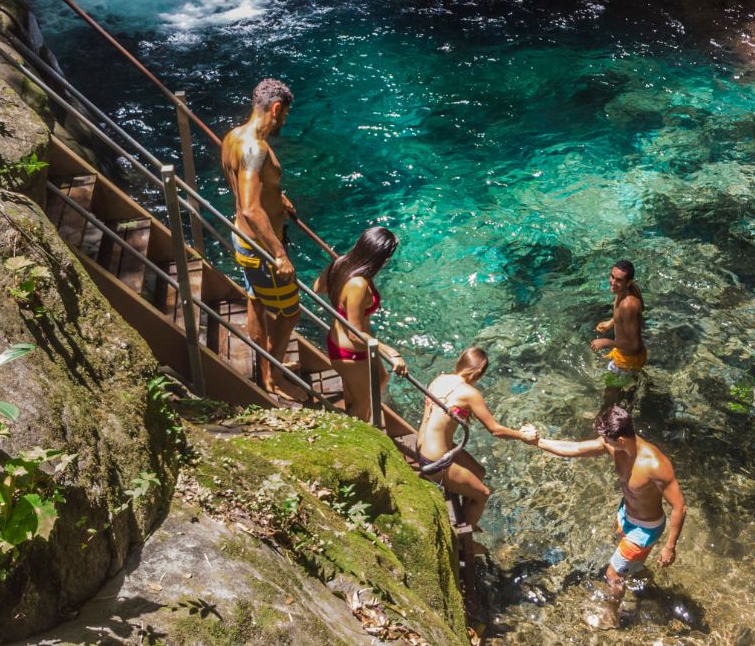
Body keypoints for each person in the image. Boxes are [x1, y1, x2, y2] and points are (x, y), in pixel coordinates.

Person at [531, 404, 685, 630]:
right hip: (627, 515)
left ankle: (611, 615)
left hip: (644, 530)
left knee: (612, 574)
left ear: (621, 439)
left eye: (607, 440)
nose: (603, 443)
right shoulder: (616, 446)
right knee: (631, 565)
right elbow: (576, 449)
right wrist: (538, 442)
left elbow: (680, 507)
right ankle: (644, 579)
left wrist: (670, 547)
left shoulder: (655, 465)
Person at [222, 78, 300, 397]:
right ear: (276, 108)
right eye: (285, 115)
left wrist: (277, 197)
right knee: (290, 312)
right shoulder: (256, 148)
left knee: (256, 300)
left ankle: (263, 367)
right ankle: (275, 379)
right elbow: (253, 209)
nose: (284, 121)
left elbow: (246, 190)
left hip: (242, 239)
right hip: (261, 250)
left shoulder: (233, 137)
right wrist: (279, 253)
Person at [416, 347, 539, 531]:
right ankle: (464, 539)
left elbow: (428, 417)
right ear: (479, 372)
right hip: (435, 462)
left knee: (479, 472)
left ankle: (467, 517)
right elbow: (495, 430)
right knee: (483, 494)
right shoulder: (469, 393)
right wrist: (522, 435)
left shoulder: (440, 379)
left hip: (422, 447)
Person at [314, 226, 409, 421]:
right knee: (363, 403)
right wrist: (390, 352)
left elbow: (318, 287)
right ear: (379, 256)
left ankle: (350, 415)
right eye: (387, 256)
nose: (387, 261)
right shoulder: (358, 284)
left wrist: (337, 271)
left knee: (380, 379)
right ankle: (354, 440)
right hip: (351, 351)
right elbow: (354, 334)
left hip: (345, 345)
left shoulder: (341, 263)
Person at [591, 260, 646, 398]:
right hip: (625, 354)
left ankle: (607, 415)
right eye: (612, 276)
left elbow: (634, 346)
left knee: (609, 395)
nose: (613, 282)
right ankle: (639, 386)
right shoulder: (628, 288)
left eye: (618, 280)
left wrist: (607, 342)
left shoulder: (628, 306)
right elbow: (641, 309)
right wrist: (611, 322)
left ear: (628, 282)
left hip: (627, 359)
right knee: (621, 388)